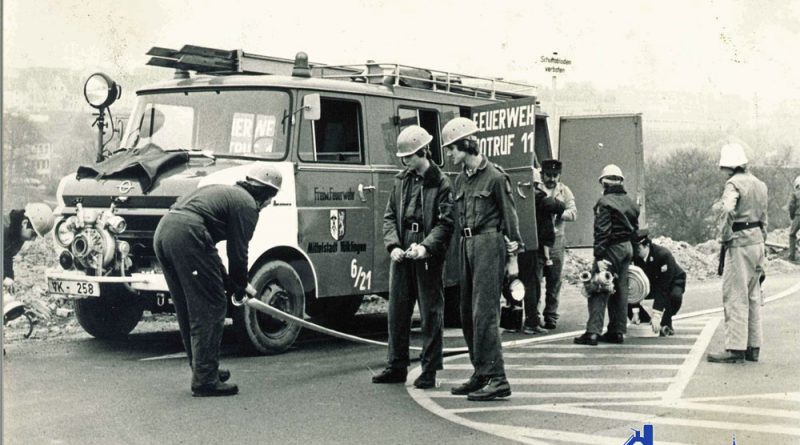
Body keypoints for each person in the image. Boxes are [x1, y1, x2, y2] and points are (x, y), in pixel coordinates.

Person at [153, 163, 282, 396]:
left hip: (165, 231)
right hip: (188, 234)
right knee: (211, 306)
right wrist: (241, 288)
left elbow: (209, 255)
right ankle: (205, 380)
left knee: (188, 306)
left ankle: (203, 367)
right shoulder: (247, 205)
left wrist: (232, 284)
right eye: (270, 199)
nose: (267, 205)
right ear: (266, 194)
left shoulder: (227, 193)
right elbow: (238, 252)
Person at [442, 117, 524, 401]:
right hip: (467, 245)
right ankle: (481, 372)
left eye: (452, 148)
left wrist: (513, 260)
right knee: (466, 313)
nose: (449, 154)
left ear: (466, 144)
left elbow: (511, 221)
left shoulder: (497, 177)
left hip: (490, 244)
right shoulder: (461, 178)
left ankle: (498, 379)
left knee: (485, 314)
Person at [373, 125, 454, 389]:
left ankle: (429, 370)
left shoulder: (441, 183)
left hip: (426, 251)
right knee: (397, 310)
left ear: (422, 153)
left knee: (430, 312)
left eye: (408, 157)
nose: (404, 162)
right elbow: (389, 217)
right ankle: (396, 365)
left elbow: (446, 223)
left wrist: (426, 248)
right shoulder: (401, 180)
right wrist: (393, 246)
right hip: (404, 245)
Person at [707, 143, 768, 364]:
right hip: (757, 241)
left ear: (729, 166)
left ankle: (735, 348)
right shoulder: (760, 184)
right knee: (753, 294)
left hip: (739, 242)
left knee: (735, 295)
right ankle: (753, 346)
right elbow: (764, 216)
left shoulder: (733, 184)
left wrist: (725, 235)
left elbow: (728, 209)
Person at [575, 164, 639, 346]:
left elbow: (602, 231)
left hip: (611, 249)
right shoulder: (631, 202)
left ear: (604, 182)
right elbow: (635, 230)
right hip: (627, 248)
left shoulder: (604, 203)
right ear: (620, 181)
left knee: (598, 287)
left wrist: (599, 256)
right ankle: (617, 331)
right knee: (620, 291)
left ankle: (593, 332)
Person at [520, 168, 565, 334]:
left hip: (524, 244)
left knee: (527, 283)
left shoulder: (520, 196)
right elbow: (560, 206)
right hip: (537, 245)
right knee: (534, 285)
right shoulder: (539, 197)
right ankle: (532, 322)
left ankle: (524, 319)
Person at [629, 229, 687, 336]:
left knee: (675, 296)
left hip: (672, 281)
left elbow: (663, 287)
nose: (635, 251)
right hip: (650, 283)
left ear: (647, 246)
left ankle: (666, 321)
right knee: (623, 295)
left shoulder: (663, 255)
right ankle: (646, 321)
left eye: (638, 248)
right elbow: (633, 286)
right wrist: (635, 312)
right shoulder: (635, 257)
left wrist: (656, 315)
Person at [3, 203, 55, 322]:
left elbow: (7, 255)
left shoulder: (16, 233)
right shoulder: (4, 229)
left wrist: (9, 277)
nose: (33, 239)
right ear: (25, 223)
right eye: (33, 234)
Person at [788, 175, 800, 261]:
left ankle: (792, 256)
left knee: (792, 234)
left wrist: (792, 216)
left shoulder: (795, 194)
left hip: (798, 216)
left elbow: (791, 207)